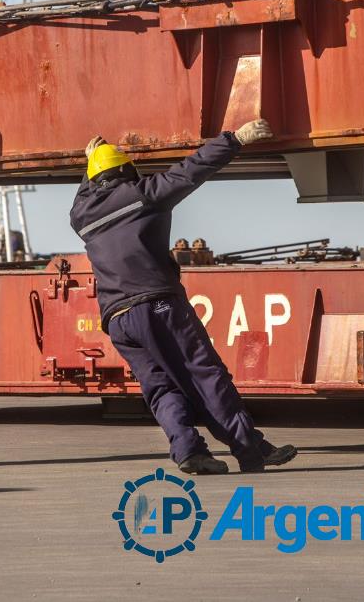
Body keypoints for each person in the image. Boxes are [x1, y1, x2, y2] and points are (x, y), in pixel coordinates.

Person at [70, 122, 297, 475]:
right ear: (127, 172)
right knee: (205, 374)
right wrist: (234, 139)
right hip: (157, 306)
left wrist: (91, 163)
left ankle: (190, 451)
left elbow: (88, 191)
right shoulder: (144, 194)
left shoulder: (81, 215)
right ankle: (250, 449)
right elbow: (192, 170)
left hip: (118, 319)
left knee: (159, 386)